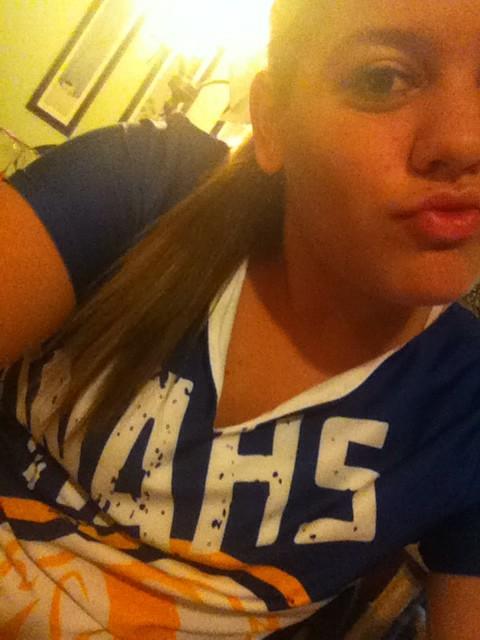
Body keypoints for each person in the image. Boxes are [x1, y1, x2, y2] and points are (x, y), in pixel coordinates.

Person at [1, 0, 480, 637]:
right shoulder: (146, 186)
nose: (465, 142)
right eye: (381, 78)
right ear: (272, 119)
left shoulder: (467, 403)